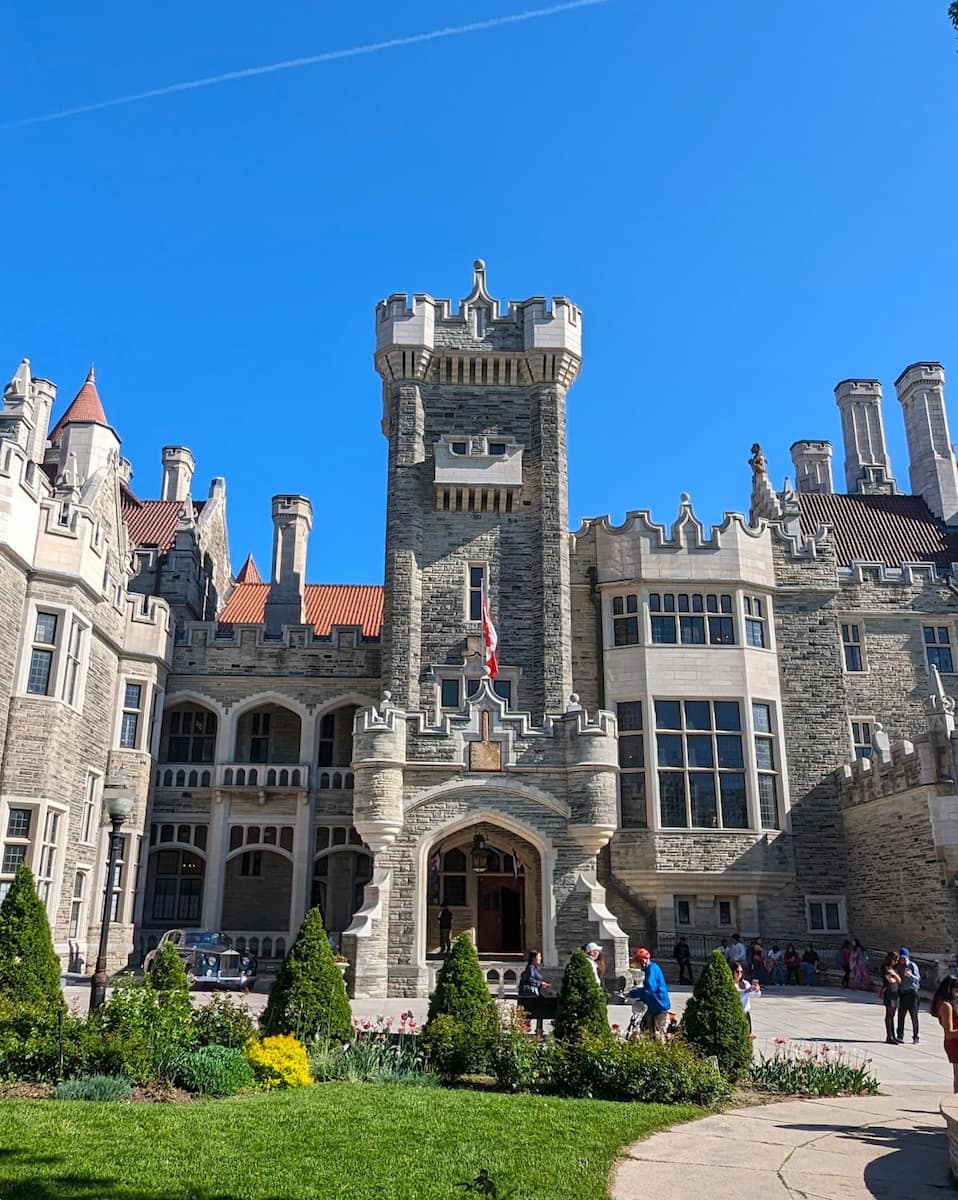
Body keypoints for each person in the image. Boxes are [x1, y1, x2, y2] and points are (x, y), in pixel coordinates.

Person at [627, 947, 671, 1041]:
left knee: (659, 1033)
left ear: (643, 961)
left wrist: (633, 993)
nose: (637, 966)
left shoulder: (651, 970)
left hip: (659, 1005)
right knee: (646, 1027)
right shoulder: (652, 967)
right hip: (655, 1004)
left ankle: (661, 1051)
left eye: (638, 963)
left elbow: (649, 990)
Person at [931, 975, 958, 1092]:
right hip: (954, 1043)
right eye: (956, 990)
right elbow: (949, 1033)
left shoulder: (951, 1004)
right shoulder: (945, 1005)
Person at [896, 947, 921, 1043]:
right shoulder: (898, 966)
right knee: (901, 1015)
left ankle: (916, 1036)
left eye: (903, 958)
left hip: (912, 993)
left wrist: (911, 976)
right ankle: (900, 1035)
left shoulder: (912, 965)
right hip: (902, 993)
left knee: (914, 1015)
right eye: (900, 958)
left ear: (907, 957)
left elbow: (918, 978)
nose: (902, 960)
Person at [731, 961, 761, 1032]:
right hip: (735, 1013)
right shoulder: (730, 983)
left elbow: (752, 995)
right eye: (737, 972)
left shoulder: (745, 983)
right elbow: (735, 994)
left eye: (741, 972)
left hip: (745, 1013)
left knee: (747, 1034)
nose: (739, 974)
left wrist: (756, 990)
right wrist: (745, 991)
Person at [879, 951, 901, 1045]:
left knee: (893, 1015)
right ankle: (889, 1036)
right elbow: (890, 980)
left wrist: (895, 975)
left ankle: (893, 1035)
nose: (896, 962)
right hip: (889, 992)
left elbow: (899, 980)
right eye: (895, 960)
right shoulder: (885, 968)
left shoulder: (893, 969)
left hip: (895, 992)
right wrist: (895, 977)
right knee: (889, 1014)